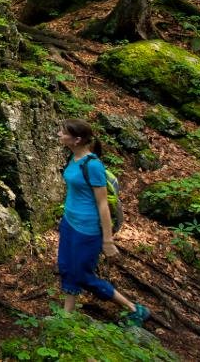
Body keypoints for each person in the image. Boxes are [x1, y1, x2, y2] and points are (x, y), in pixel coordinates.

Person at [57, 119, 150, 326]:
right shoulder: (72, 158)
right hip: (69, 223)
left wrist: (107, 241)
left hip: (88, 230)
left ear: (77, 139)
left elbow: (102, 205)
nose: (59, 135)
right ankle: (66, 317)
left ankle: (134, 309)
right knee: (66, 267)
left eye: (63, 133)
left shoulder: (93, 165)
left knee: (82, 274)